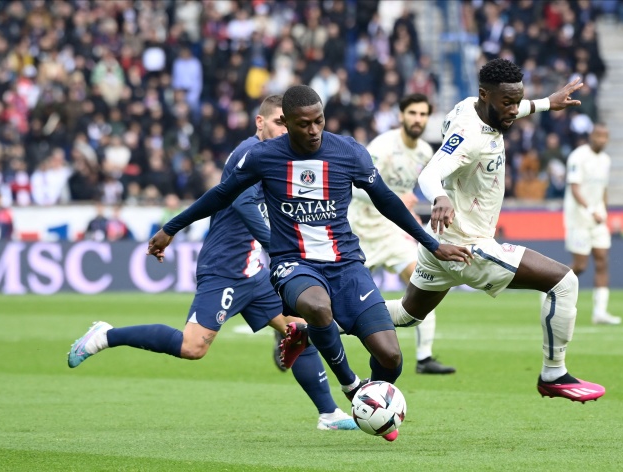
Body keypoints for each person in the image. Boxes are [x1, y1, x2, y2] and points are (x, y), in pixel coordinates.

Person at [147, 85, 473, 441]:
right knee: (317, 307)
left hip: (346, 265)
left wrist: (432, 244)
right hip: (293, 264)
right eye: (304, 124)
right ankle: (350, 385)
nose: (314, 130)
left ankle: (371, 404)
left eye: (319, 121)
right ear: (286, 123)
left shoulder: (348, 151)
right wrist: (170, 228)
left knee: (391, 356)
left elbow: (386, 200)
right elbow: (221, 194)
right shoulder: (263, 157)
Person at [68, 95, 358, 432]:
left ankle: (329, 413)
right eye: (278, 122)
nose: (285, 129)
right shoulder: (249, 154)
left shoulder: (281, 156)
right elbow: (245, 204)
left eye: (287, 123)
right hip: (226, 269)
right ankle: (106, 335)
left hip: (254, 271)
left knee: (300, 329)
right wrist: (279, 248)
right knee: (192, 347)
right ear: (260, 122)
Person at [385, 59, 606, 403]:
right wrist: (440, 196)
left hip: (438, 243)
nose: (514, 110)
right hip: (467, 246)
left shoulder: (475, 107)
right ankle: (554, 374)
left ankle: (314, 324)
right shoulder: (470, 135)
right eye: (507, 102)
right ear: (484, 95)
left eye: (518, 100)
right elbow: (429, 174)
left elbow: (514, 106)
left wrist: (546, 103)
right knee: (564, 282)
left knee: (406, 314)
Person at [348, 93, 455, 375]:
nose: (417, 119)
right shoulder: (382, 146)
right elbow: (356, 187)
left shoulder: (425, 152)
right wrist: (395, 198)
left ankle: (424, 358)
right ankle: (298, 330)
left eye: (423, 114)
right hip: (360, 232)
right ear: (401, 116)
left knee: (425, 282)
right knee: (344, 299)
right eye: (412, 113)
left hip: (392, 231)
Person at [564, 123, 622, 325]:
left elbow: (603, 188)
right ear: (591, 136)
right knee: (581, 265)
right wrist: (591, 210)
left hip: (597, 218)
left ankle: (600, 312)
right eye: (598, 136)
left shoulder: (606, 160)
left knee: (602, 260)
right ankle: (551, 284)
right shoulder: (578, 156)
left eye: (605, 137)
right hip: (579, 218)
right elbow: (575, 188)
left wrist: (604, 210)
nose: (602, 140)